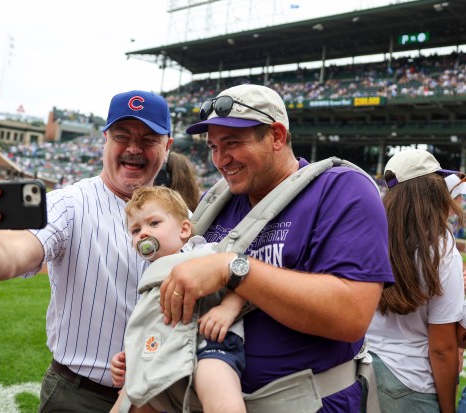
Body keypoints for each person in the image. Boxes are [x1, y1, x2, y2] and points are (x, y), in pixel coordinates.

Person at [159, 84, 394, 412]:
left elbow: (351, 314)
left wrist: (234, 267)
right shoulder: (219, 200)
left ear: (277, 136)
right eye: (213, 146)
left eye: (232, 143)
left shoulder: (341, 190)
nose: (219, 159)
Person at [0, 90, 173, 413]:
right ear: (105, 139)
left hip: (160, 397)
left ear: (167, 146)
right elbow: (11, 256)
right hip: (80, 395)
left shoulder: (182, 217)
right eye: (122, 136)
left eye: (148, 138)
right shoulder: (70, 203)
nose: (134, 148)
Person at [110, 186, 246, 413]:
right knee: (127, 402)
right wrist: (130, 356)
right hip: (166, 349)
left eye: (154, 223)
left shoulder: (205, 253)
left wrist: (228, 309)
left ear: (184, 229)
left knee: (219, 392)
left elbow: (244, 279)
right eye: (135, 230)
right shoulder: (151, 274)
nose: (143, 233)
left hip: (210, 343)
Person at [366, 149, 464, 413]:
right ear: (433, 191)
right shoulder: (441, 247)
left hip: (360, 370)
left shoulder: (370, 235)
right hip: (411, 382)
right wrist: (447, 409)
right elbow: (443, 348)